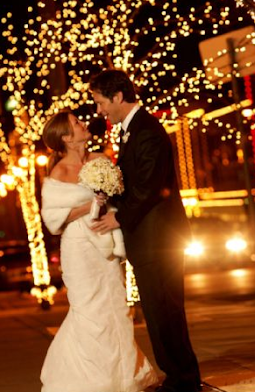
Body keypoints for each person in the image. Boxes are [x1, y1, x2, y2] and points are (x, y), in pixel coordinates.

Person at [90, 69, 202, 392]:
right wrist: (107, 192)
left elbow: (150, 186)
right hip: (149, 240)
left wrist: (118, 217)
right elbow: (135, 182)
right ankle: (177, 376)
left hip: (159, 239)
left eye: (101, 103)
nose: (100, 110)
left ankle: (184, 380)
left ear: (118, 97)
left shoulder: (147, 131)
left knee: (166, 311)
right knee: (157, 312)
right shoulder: (130, 130)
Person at [40, 110, 158, 392]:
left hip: (105, 242)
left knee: (116, 307)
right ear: (67, 138)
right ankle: (88, 380)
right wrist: (91, 203)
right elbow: (54, 220)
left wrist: (110, 204)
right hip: (79, 248)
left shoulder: (101, 161)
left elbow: (121, 197)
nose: (83, 124)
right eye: (76, 124)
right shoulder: (58, 172)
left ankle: (125, 376)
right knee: (88, 311)